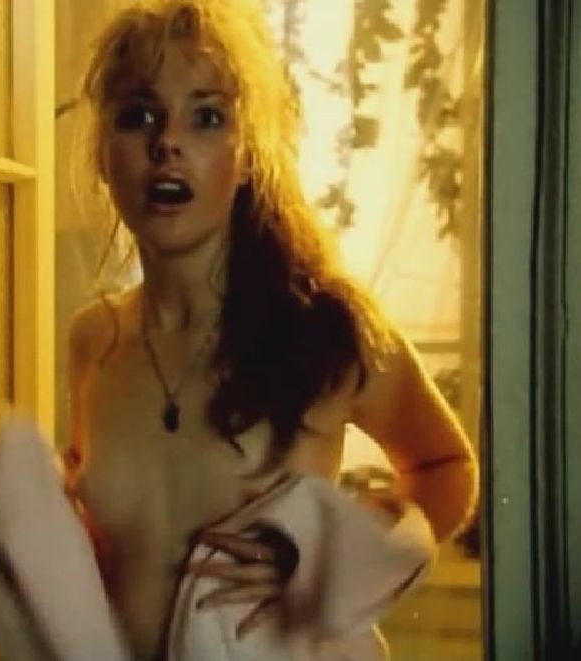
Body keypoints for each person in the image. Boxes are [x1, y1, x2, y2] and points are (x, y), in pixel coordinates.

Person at [56, 0, 480, 659]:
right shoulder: (93, 340)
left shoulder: (327, 329)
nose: (167, 143)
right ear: (102, 155)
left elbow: (447, 467)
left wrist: (333, 560)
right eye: (138, 115)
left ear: (249, 154)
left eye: (207, 117)